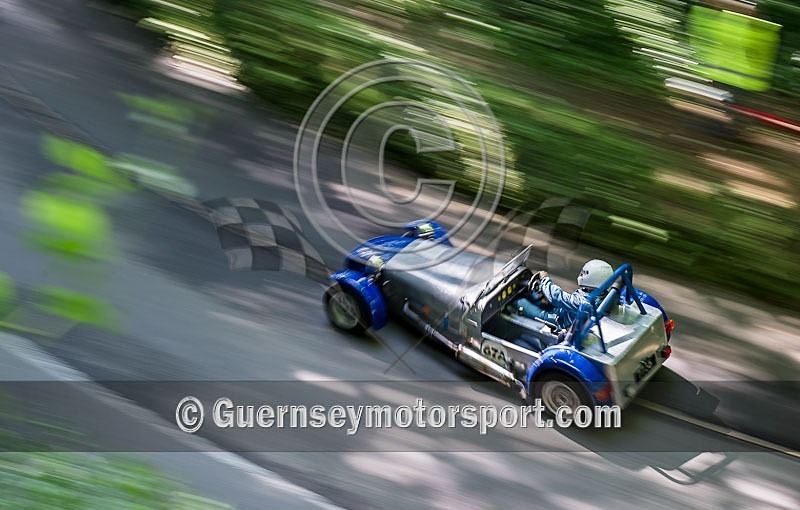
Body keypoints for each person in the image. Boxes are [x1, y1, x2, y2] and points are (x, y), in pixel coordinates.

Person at [513, 259, 614, 329]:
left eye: (584, 273)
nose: (582, 275)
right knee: (535, 296)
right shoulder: (603, 295)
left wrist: (544, 279)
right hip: (566, 313)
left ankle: (511, 312)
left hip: (560, 322)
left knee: (520, 302)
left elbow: (556, 297)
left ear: (593, 279)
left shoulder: (585, 303)